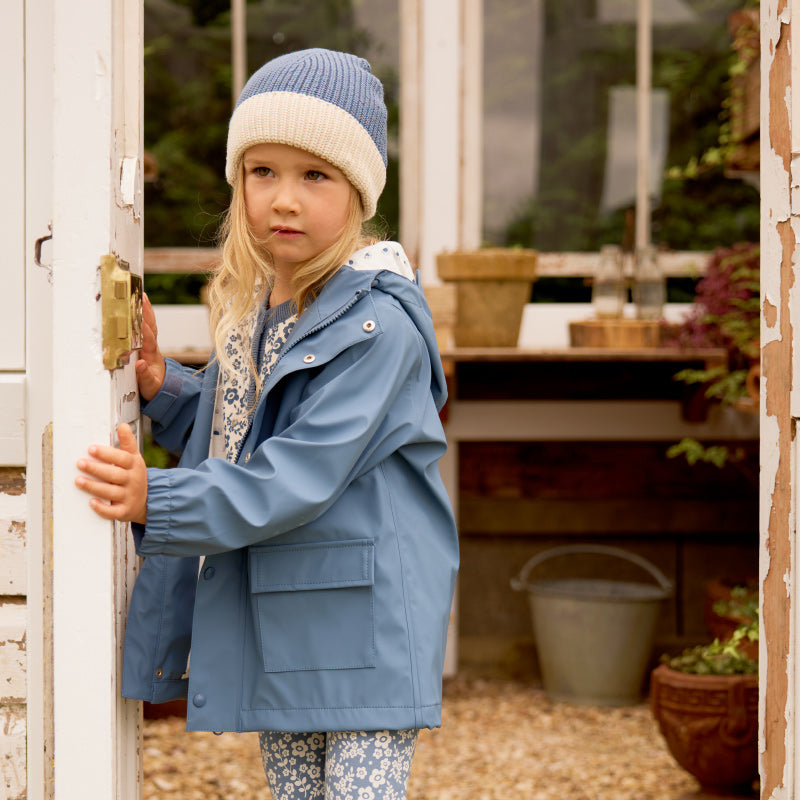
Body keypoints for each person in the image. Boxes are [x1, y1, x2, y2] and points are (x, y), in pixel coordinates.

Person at [74, 48, 459, 799]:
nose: (284, 199)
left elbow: (296, 473)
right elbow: (242, 432)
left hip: (366, 629)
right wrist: (160, 384)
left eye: (315, 176)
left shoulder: (379, 326)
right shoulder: (264, 314)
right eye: (263, 172)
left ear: (359, 193)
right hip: (288, 621)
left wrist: (159, 499)